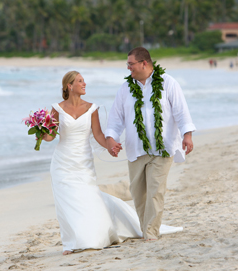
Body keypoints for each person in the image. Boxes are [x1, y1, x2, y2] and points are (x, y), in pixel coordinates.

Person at [43, 71, 182, 255]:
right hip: (62, 161)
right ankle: (70, 242)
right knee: (67, 199)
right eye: (80, 81)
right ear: (69, 85)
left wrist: (111, 145)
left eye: (84, 80)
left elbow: (98, 135)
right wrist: (40, 130)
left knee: (87, 196)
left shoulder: (92, 108)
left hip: (83, 161)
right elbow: (50, 137)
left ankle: (91, 236)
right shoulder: (56, 109)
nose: (84, 83)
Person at [105, 47, 195, 241]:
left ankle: (151, 233)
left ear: (144, 63)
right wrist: (111, 138)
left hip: (163, 148)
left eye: (131, 64)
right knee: (138, 195)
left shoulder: (168, 83)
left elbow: (181, 112)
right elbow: (116, 118)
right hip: (135, 148)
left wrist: (187, 134)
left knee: (155, 191)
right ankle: (146, 228)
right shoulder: (125, 89)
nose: (128, 68)